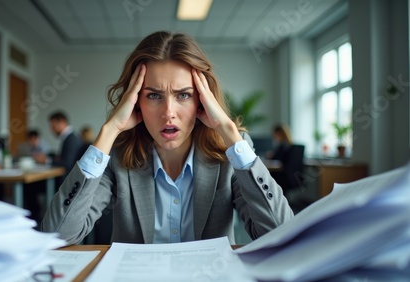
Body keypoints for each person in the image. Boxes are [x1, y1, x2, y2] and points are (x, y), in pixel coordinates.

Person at [42, 31, 293, 245]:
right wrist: (109, 131)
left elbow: (282, 235)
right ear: (135, 101)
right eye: (153, 96)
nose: (168, 113)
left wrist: (228, 131)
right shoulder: (117, 153)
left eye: (183, 95)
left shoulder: (232, 152)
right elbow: (56, 237)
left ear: (202, 101)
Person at [47, 111, 84, 179]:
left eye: (53, 126)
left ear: (62, 121)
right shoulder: (70, 137)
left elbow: (67, 163)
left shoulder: (71, 139)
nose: (52, 130)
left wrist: (47, 161)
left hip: (68, 179)